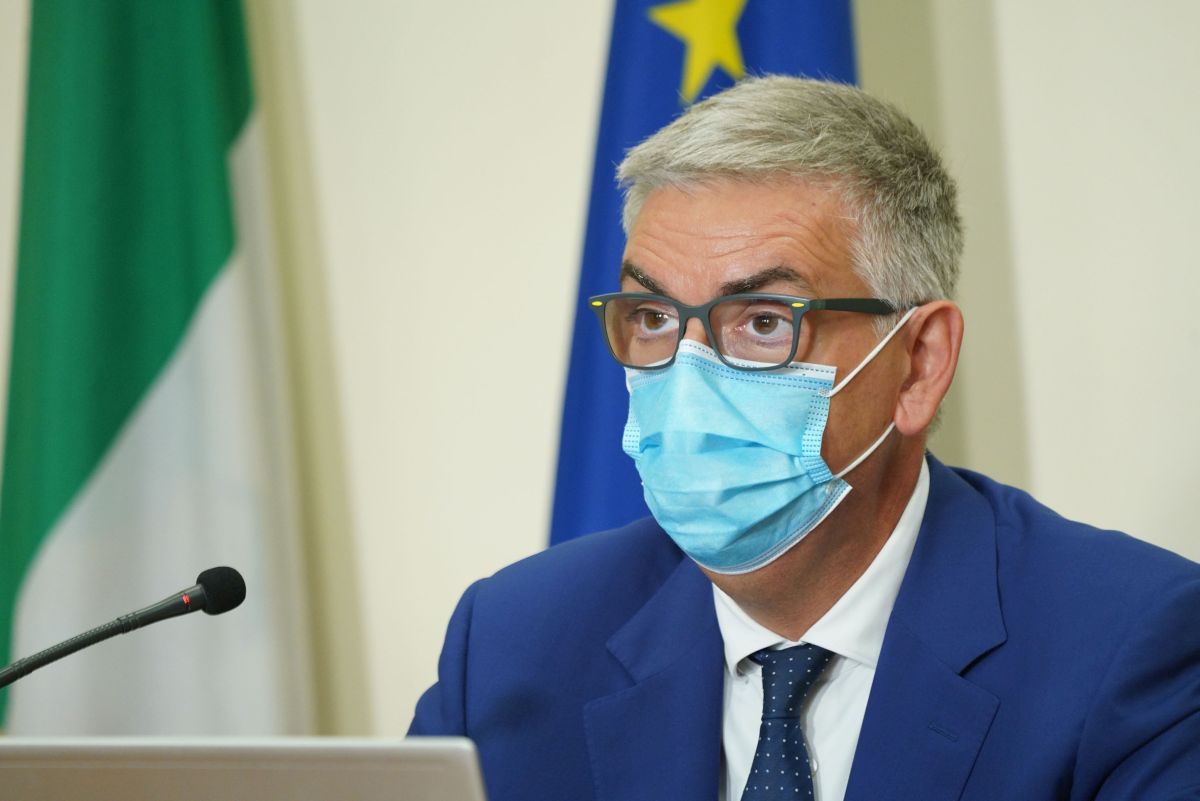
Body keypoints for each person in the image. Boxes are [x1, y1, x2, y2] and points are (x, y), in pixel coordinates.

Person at [408, 77, 1200, 801]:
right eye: (652, 317)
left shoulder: (1131, 646)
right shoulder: (512, 641)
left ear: (918, 363)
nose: (687, 379)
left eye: (762, 322)